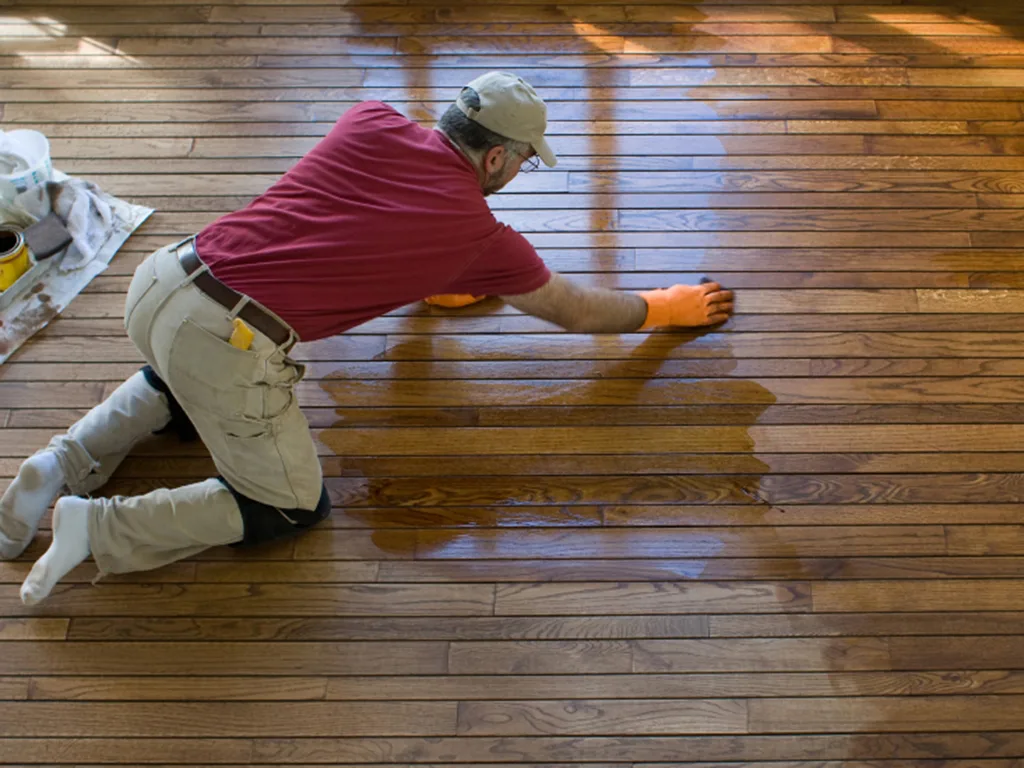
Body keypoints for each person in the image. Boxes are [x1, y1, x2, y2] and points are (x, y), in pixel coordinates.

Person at [0, 72, 733, 605]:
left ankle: (57, 462)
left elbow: (360, 222)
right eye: (523, 161)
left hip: (162, 281)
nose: (518, 173)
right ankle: (94, 526)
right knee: (286, 507)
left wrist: (440, 279)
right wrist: (663, 308)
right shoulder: (478, 232)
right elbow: (575, 312)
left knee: (181, 383)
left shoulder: (368, 120)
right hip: (224, 339)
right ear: (498, 159)